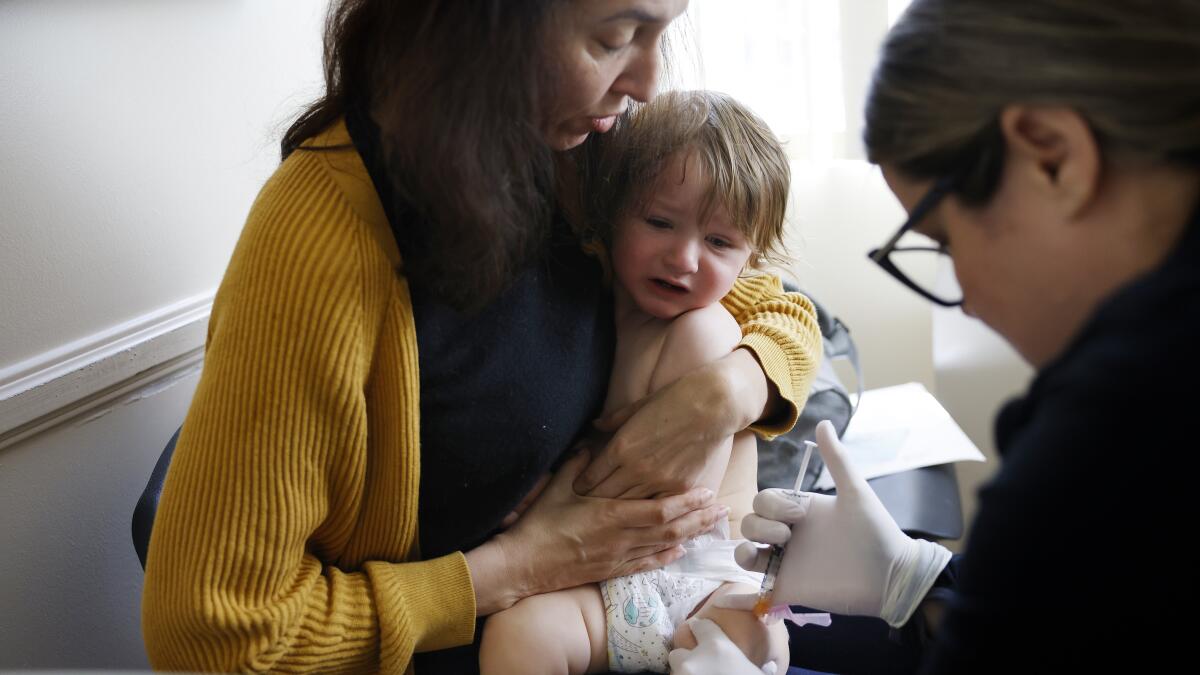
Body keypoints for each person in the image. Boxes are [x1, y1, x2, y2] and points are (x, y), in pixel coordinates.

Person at [140, 1, 823, 673]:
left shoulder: (588, 150)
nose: (646, 82)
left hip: (652, 590)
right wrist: (520, 564)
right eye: (615, 37)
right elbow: (214, 635)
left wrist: (721, 393)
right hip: (496, 637)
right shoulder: (324, 242)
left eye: (660, 34)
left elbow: (781, 309)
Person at [667, 0, 1200, 673]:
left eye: (945, 241)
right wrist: (922, 581)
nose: (968, 301)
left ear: (1054, 159)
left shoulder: (1119, 423)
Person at [479, 90, 795, 675]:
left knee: (758, 636)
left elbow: (669, 498)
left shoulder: (708, 334)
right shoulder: (586, 301)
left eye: (720, 242)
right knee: (519, 639)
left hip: (697, 577)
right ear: (611, 212)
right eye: (659, 222)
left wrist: (543, 499)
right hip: (594, 584)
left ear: (751, 259)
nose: (684, 257)